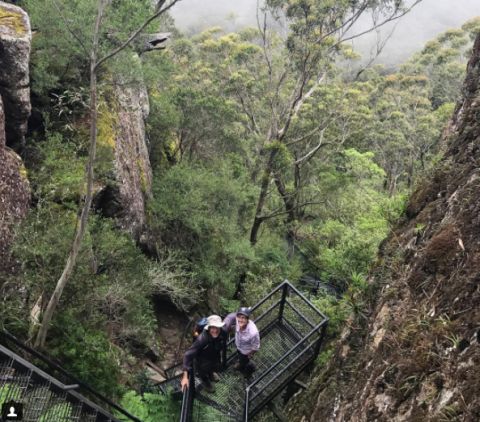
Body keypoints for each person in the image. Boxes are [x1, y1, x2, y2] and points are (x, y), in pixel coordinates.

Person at [181, 314, 227, 393]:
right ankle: (206, 382)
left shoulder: (223, 333)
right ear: (208, 328)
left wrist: (224, 359)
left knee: (213, 366)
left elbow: (224, 345)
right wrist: (185, 377)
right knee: (203, 371)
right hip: (202, 360)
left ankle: (211, 374)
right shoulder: (202, 339)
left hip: (214, 355)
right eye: (213, 327)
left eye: (217, 327)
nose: (215, 330)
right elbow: (188, 355)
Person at [224, 307, 260, 378]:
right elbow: (231, 319)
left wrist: (250, 354)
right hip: (239, 346)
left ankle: (247, 371)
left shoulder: (253, 333)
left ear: (247, 319)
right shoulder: (237, 321)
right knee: (240, 356)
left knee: (244, 360)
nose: (240, 320)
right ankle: (241, 364)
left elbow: (256, 346)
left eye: (243, 318)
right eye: (239, 317)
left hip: (246, 352)